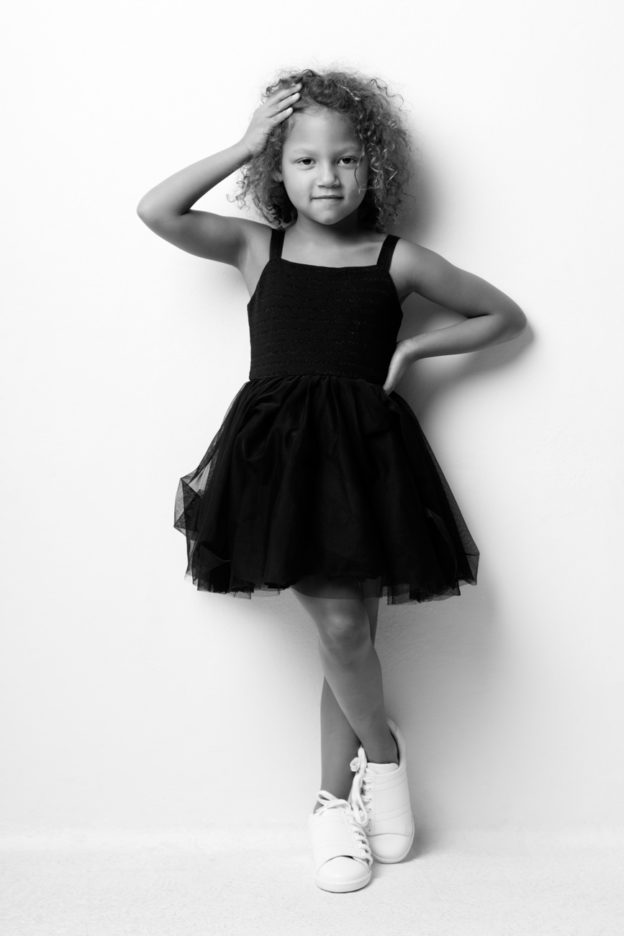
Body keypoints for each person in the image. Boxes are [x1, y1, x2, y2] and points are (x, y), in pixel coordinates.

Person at [137, 67, 527, 894]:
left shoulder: (396, 259)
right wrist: (242, 142)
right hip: (276, 465)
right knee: (344, 631)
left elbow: (503, 316)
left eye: (346, 159)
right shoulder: (258, 248)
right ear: (275, 169)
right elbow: (157, 211)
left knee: (348, 638)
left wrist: (416, 348)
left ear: (371, 165)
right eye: (304, 160)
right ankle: (381, 762)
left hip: (367, 463)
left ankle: (328, 802)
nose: (328, 178)